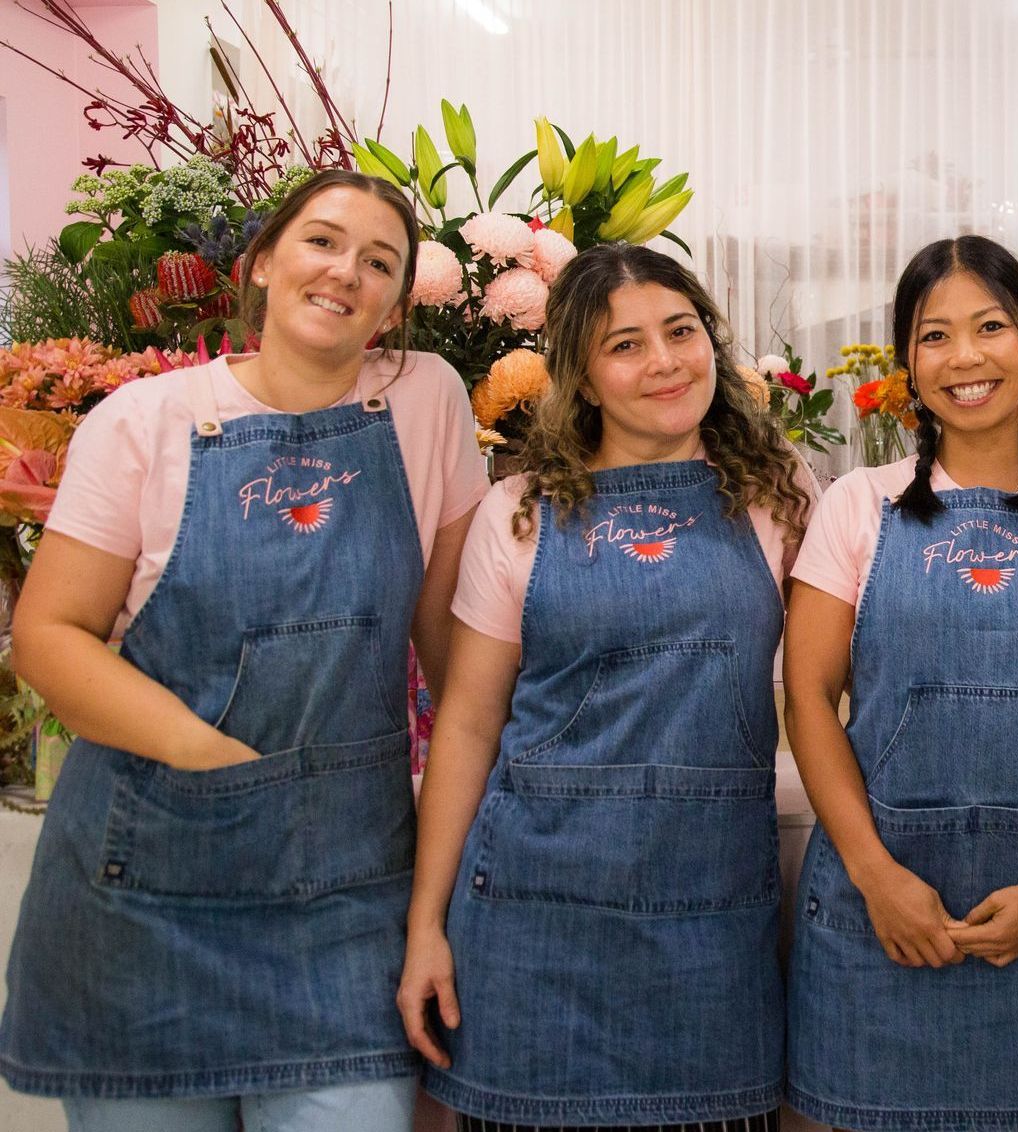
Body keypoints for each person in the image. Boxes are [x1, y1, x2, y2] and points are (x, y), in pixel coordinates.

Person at [0, 169, 488, 1131]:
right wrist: (216, 764)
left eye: (380, 261)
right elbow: (48, 639)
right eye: (322, 242)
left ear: (396, 303)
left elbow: (452, 655)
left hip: (347, 893)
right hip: (146, 882)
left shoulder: (428, 401)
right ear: (263, 261)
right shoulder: (143, 422)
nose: (347, 271)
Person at [398, 243, 814, 1132]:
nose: (664, 362)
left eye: (681, 331)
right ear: (580, 378)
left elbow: (830, 686)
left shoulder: (780, 495)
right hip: (531, 928)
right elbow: (467, 725)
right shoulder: (523, 514)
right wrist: (426, 925)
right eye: (624, 345)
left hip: (710, 928)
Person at [783, 235, 1018, 1131]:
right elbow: (808, 702)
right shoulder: (856, 506)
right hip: (875, 921)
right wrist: (879, 880)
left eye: (990, 326)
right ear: (909, 363)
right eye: (935, 335)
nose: (966, 357)